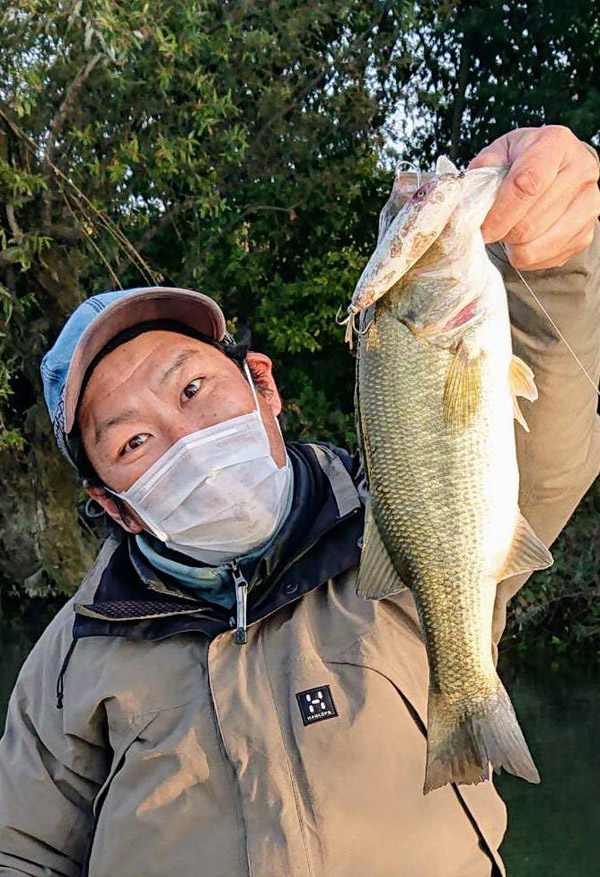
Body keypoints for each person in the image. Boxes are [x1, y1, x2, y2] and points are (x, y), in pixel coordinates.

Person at [0, 125, 599, 877]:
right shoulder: (69, 659)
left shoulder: (384, 526)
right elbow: (20, 851)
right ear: (115, 506)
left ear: (263, 387)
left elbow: (547, 425)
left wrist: (557, 257)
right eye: (133, 442)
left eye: (193, 387)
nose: (188, 441)